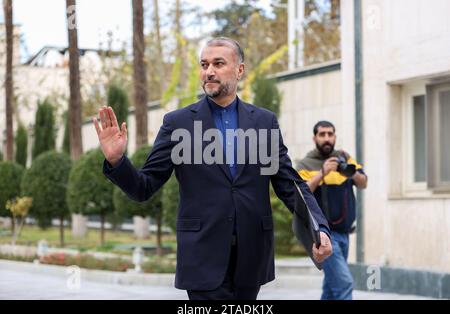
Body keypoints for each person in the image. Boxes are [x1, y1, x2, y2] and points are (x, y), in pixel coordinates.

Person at [93, 37, 332, 300]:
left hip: (251, 257)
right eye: (204, 64)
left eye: (218, 63)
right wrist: (117, 161)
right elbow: (144, 187)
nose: (209, 71)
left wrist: (318, 226)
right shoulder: (178, 123)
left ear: (239, 70)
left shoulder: (264, 122)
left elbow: (289, 184)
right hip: (201, 256)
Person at [297, 121, 368, 300]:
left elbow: (363, 183)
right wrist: (322, 173)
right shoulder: (305, 164)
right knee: (344, 283)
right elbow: (300, 194)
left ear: (335, 137)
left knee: (331, 287)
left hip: (344, 233)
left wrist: (350, 172)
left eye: (330, 134)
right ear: (315, 138)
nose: (327, 138)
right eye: (322, 134)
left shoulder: (344, 157)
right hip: (323, 235)